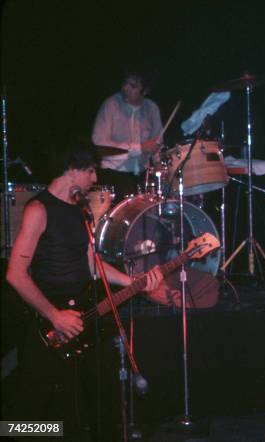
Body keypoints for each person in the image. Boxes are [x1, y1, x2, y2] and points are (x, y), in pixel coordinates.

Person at [5, 141, 164, 441]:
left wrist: (133, 282)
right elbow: (15, 274)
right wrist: (54, 316)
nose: (94, 178)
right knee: (24, 417)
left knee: (78, 411)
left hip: (81, 318)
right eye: (90, 171)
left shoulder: (80, 211)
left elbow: (92, 264)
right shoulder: (38, 209)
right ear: (72, 169)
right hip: (47, 323)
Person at [92, 71, 163, 197]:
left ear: (145, 91)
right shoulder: (111, 105)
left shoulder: (152, 108)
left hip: (142, 175)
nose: (126, 88)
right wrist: (139, 148)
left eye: (133, 86)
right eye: (125, 83)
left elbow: (157, 144)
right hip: (113, 173)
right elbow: (99, 144)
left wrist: (159, 164)